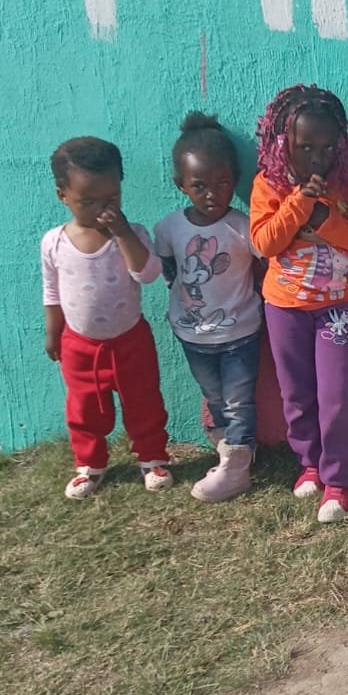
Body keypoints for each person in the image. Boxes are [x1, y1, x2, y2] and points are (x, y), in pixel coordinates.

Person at [250, 85, 348, 523]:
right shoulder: (268, 184)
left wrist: (328, 220)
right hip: (285, 306)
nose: (317, 156)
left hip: (339, 305)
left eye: (328, 146)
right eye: (306, 147)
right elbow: (265, 242)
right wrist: (300, 203)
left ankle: (340, 480)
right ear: (284, 144)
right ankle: (309, 465)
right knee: (297, 392)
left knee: (338, 394)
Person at [42, 137, 173, 499]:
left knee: (143, 400)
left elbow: (147, 274)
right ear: (62, 196)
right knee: (84, 407)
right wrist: (53, 333)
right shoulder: (54, 242)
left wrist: (123, 233)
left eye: (112, 198)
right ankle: (90, 465)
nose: (103, 208)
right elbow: (52, 293)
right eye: (88, 201)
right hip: (79, 343)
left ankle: (152, 458)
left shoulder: (132, 235)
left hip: (130, 339)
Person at [153, 113, 262, 502]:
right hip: (192, 334)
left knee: (237, 399)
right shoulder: (169, 228)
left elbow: (263, 265)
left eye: (222, 183)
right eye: (200, 186)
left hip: (240, 333)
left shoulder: (242, 226)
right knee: (213, 396)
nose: (212, 194)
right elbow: (169, 269)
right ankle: (233, 449)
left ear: (234, 179)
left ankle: (237, 466)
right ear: (180, 184)